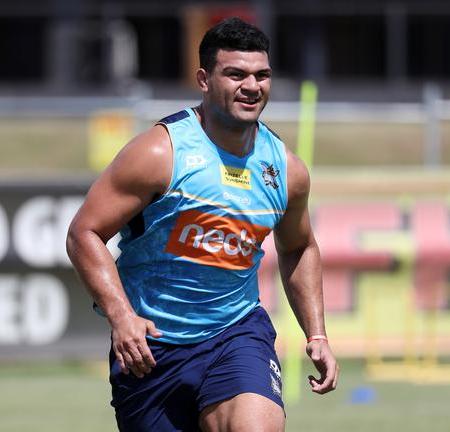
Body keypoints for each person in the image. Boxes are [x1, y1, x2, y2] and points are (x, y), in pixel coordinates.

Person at [67, 17, 338, 432]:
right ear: (204, 80)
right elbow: (83, 233)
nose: (252, 86)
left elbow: (299, 246)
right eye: (236, 74)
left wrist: (316, 334)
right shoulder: (160, 153)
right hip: (151, 348)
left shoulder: (286, 170)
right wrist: (121, 317)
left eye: (262, 75)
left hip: (236, 334)